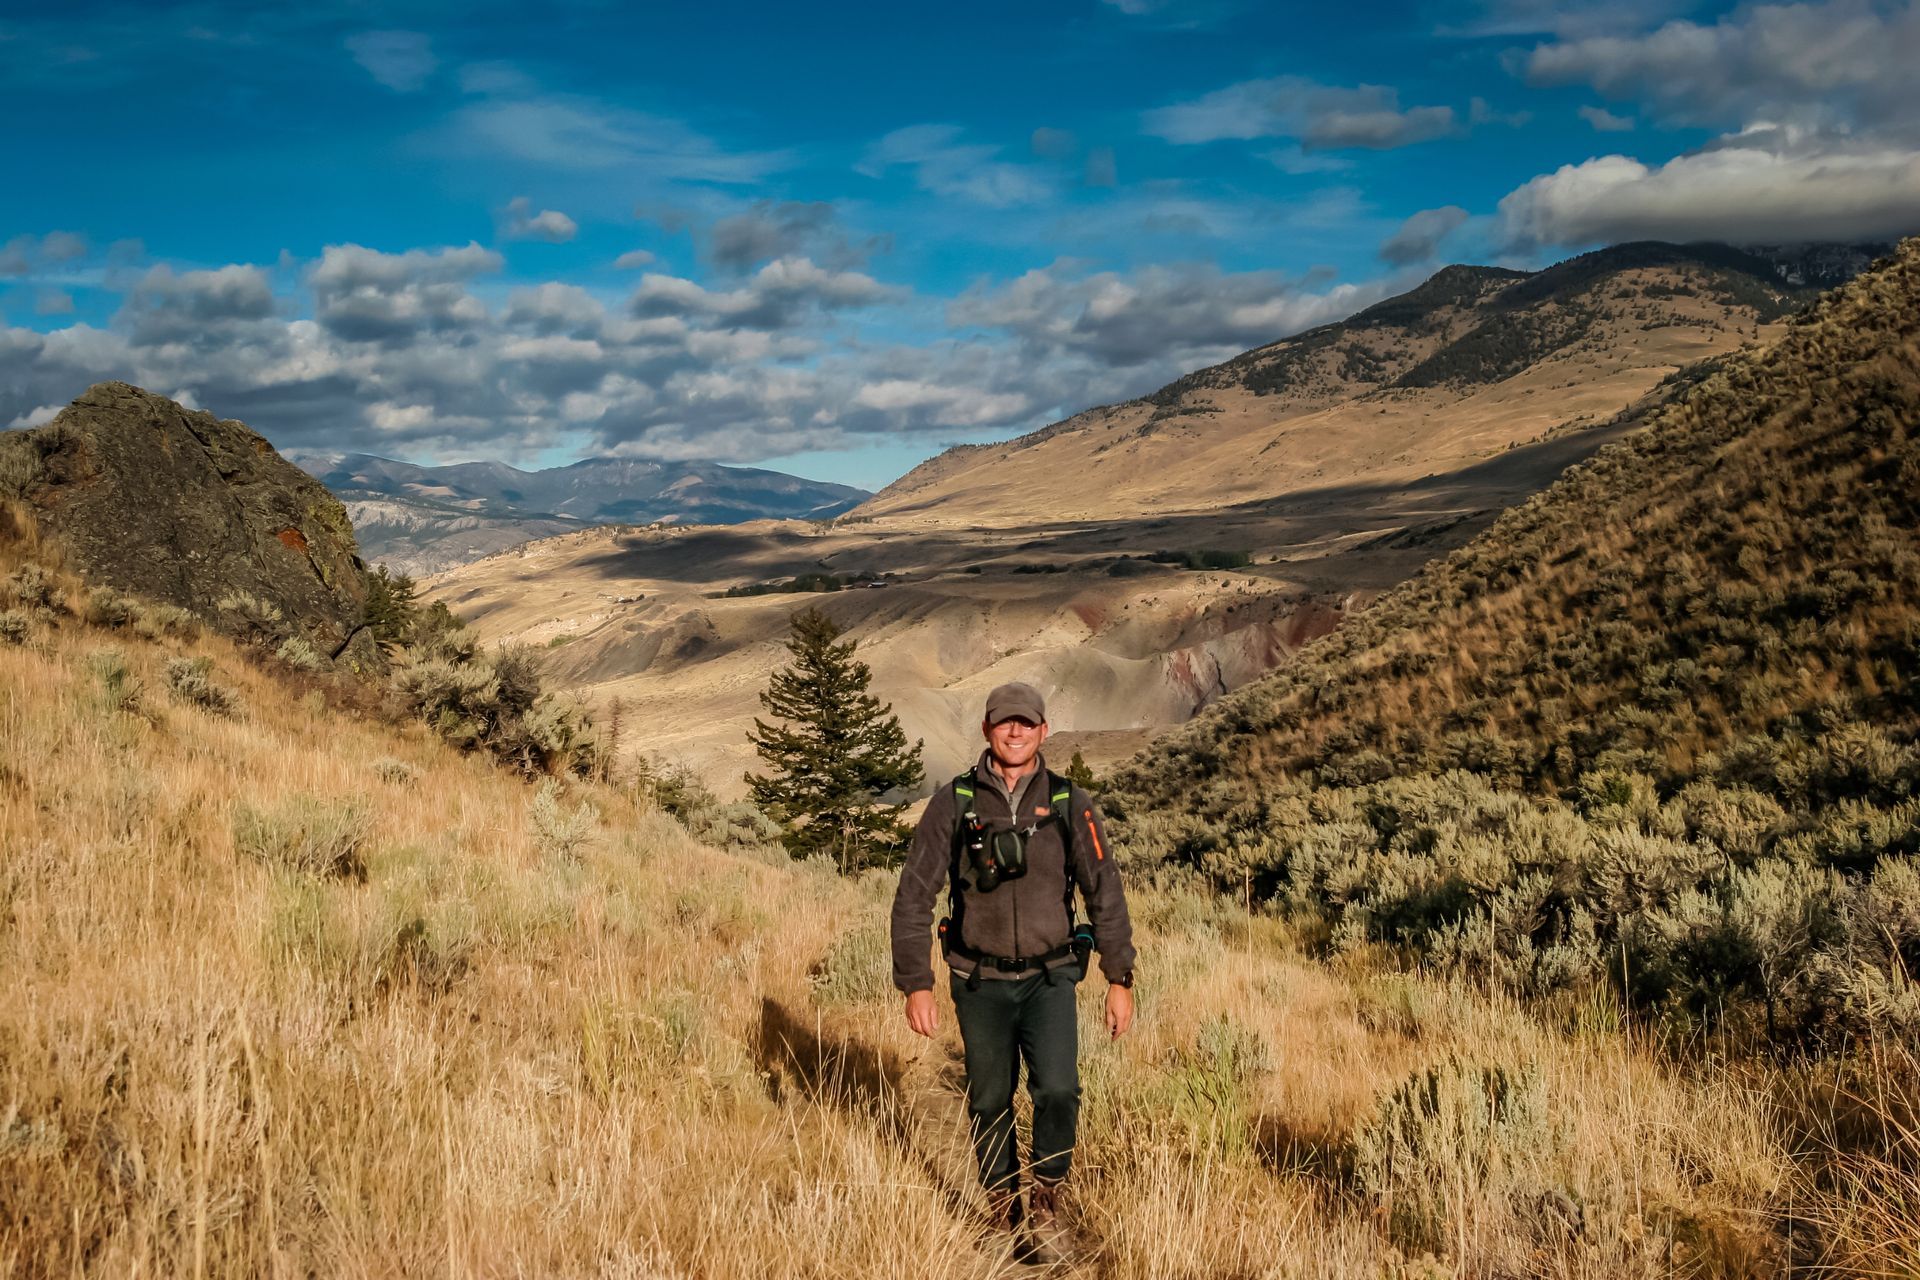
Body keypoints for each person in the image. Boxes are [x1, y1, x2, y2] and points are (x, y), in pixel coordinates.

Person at [890, 681, 1136, 1262]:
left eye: (1027, 722)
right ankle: (1003, 1209)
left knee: (1057, 1089)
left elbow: (1106, 892)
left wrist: (1119, 977)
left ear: (1044, 731)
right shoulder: (954, 801)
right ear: (987, 729)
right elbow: (914, 894)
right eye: (1005, 722)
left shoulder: (1072, 803)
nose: (1016, 731)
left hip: (1051, 979)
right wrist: (916, 982)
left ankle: (1047, 1200)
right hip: (978, 981)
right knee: (987, 1099)